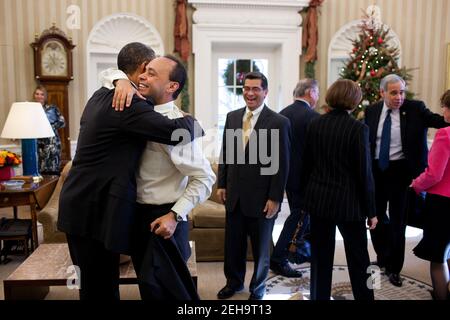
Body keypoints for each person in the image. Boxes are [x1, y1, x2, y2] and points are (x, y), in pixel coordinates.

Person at [57, 42, 199, 300]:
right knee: (100, 288)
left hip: (83, 205)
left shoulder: (102, 92)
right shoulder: (128, 102)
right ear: (143, 69)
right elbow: (174, 132)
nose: (147, 76)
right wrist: (194, 122)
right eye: (149, 70)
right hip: (93, 210)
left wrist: (118, 79)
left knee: (95, 285)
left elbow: (202, 176)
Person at [110, 55, 216, 300]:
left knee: (173, 296)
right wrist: (120, 81)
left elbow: (204, 177)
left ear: (171, 87)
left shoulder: (175, 127)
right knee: (149, 292)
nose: (144, 76)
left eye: (153, 73)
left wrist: (174, 215)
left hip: (163, 223)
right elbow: (106, 75)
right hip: (138, 219)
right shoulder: (139, 112)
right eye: (144, 71)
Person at [364, 74, 449, 287]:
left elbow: (440, 121)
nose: (399, 97)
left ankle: (394, 267)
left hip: (403, 174)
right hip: (377, 172)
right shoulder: (372, 111)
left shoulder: (416, 108)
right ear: (382, 92)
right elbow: (367, 140)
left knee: (398, 222)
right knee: (376, 218)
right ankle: (383, 256)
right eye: (393, 93)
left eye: (402, 92)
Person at [300, 79, 378, 300]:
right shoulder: (358, 129)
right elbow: (365, 173)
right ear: (354, 100)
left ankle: (318, 297)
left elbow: (307, 165)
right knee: (360, 258)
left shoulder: (315, 124)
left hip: (319, 201)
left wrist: (307, 196)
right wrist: (371, 211)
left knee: (320, 257)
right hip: (349, 204)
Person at [216, 72, 291, 300]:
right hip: (235, 196)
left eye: (256, 89)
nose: (250, 93)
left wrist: (275, 197)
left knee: (260, 250)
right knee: (233, 246)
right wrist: (222, 183)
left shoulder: (279, 122)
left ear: (265, 92)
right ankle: (234, 282)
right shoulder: (232, 117)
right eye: (246, 88)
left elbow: (282, 163)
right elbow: (226, 152)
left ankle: (258, 289)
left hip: (262, 198)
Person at [270, 79, 320, 277]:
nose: (317, 97)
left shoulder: (281, 114)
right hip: (306, 178)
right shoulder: (313, 117)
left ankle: (299, 252)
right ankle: (279, 258)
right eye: (317, 92)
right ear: (309, 92)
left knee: (299, 216)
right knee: (298, 217)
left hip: (286, 176)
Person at [411, 90, 450, 300]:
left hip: (443, 204)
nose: (442, 110)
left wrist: (416, 185)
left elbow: (434, 174)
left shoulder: (445, 134)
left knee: (438, 258)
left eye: (445, 106)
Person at [33, 85, 66, 175]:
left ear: (45, 96)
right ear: (34, 95)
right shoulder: (30, 109)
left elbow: (62, 122)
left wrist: (49, 127)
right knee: (39, 171)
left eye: (42, 94)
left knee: (52, 171)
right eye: (37, 94)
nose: (39, 96)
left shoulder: (52, 109)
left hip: (52, 144)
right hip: (37, 144)